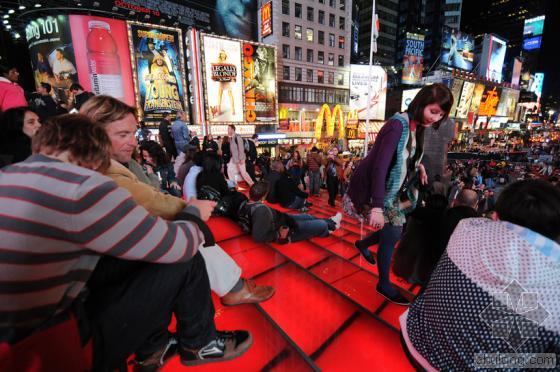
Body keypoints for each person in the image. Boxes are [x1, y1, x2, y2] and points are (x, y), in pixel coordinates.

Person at [0, 114, 252, 370]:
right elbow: (176, 245)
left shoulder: (9, 175)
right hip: (53, 350)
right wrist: (193, 214)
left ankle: (155, 347)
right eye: (121, 136)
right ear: (93, 151)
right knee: (184, 258)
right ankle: (199, 343)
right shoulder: (82, 187)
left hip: (28, 332)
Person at [80, 96, 274, 319]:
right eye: (123, 134)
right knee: (188, 235)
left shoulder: (121, 163)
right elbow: (153, 202)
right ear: (94, 135)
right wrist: (192, 209)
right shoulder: (105, 170)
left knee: (188, 233)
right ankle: (228, 297)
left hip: (115, 254)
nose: (133, 142)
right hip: (109, 271)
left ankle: (228, 295)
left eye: (132, 134)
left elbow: (152, 195)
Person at [401, 180, 560, 370]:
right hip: (464, 363)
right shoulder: (552, 281)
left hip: (413, 332)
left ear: (496, 214)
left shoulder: (467, 227)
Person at [344, 83, 454, 305]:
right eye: (433, 111)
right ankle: (383, 284)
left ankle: (363, 245)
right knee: (393, 234)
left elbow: (408, 154)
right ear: (421, 103)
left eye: (440, 114)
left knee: (394, 232)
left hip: (391, 188)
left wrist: (419, 167)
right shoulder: (397, 125)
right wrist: (376, 206)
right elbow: (380, 167)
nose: (435, 118)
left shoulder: (417, 125)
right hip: (377, 188)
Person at [247, 181, 342, 244]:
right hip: (285, 229)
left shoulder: (250, 204)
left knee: (306, 216)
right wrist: (278, 234)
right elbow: (258, 237)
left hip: (282, 218)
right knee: (320, 224)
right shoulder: (261, 211)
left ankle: (331, 222)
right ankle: (331, 225)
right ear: (263, 196)